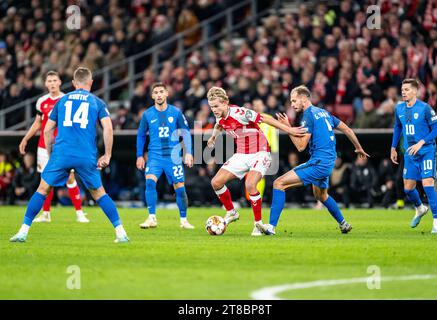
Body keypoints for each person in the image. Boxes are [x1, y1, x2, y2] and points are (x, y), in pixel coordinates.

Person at [10, 67, 129, 243]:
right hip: (85, 155)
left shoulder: (62, 100)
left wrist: (51, 153)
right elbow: (108, 128)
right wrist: (107, 155)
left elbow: (48, 129)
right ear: (91, 82)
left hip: (62, 153)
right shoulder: (97, 102)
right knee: (99, 194)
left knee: (42, 189)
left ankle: (22, 232)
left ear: (73, 83)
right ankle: (121, 232)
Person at [257, 85, 369, 235]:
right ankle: (343, 223)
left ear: (304, 99)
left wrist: (287, 127)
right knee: (321, 195)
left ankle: (271, 227)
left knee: (279, 183)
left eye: (294, 100)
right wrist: (359, 148)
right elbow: (347, 129)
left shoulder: (308, 115)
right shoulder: (324, 113)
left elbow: (301, 146)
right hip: (328, 162)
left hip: (319, 162)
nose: (292, 104)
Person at [206, 86, 303, 236]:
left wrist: (289, 130)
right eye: (211, 107)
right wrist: (213, 137)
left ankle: (258, 224)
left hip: (260, 152)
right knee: (216, 182)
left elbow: (266, 119)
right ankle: (231, 212)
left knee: (250, 184)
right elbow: (219, 125)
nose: (214, 109)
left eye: (217, 106)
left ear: (226, 103)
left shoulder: (240, 112)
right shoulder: (219, 115)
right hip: (242, 154)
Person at [18, 70, 89, 223]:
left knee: (70, 177)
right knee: (46, 179)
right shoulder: (41, 101)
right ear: (45, 84)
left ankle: (79, 212)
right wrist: (26, 138)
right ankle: (46, 214)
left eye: (54, 80)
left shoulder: (66, 99)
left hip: (62, 147)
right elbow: (38, 123)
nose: (51, 84)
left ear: (59, 82)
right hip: (43, 147)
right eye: (49, 81)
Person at [136, 83, 194, 229]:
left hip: (173, 156)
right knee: (149, 182)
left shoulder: (175, 112)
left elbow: (186, 132)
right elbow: (141, 135)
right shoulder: (147, 114)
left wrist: (189, 153)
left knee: (180, 188)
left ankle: (183, 220)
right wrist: (139, 155)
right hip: (155, 156)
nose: (159, 95)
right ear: (152, 96)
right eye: (156, 92)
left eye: (161, 91)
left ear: (167, 94)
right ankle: (152, 218)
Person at [390, 78, 437, 233]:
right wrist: (393, 147)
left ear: (415, 91)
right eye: (402, 90)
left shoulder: (425, 108)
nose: (403, 92)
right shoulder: (399, 109)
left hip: (426, 151)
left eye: (406, 90)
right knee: (408, 188)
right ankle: (420, 208)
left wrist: (421, 142)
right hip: (410, 154)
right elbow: (397, 127)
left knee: (427, 185)